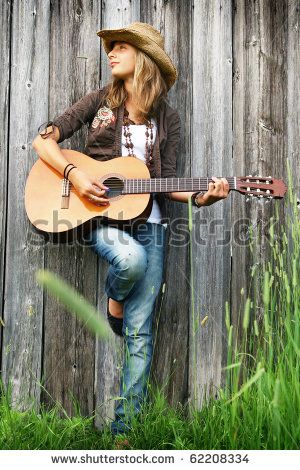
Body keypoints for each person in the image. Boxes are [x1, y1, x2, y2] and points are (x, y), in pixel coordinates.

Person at [32, 22, 229, 445]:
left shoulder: (167, 119)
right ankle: (115, 300)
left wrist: (201, 199)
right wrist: (76, 175)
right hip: (99, 217)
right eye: (111, 48)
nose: (111, 53)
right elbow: (43, 142)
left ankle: (125, 431)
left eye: (121, 47)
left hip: (153, 225)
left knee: (141, 331)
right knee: (130, 261)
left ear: (145, 59)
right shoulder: (98, 103)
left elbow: (168, 181)